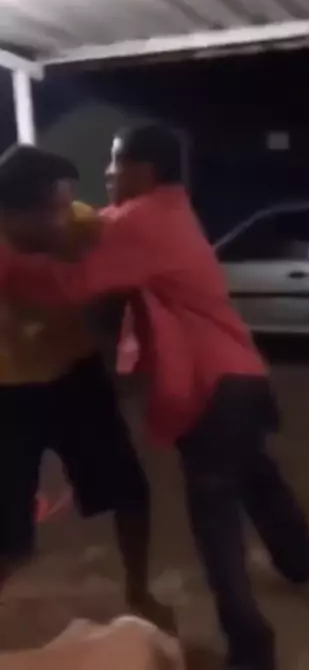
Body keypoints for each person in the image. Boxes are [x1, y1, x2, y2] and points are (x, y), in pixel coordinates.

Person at [0, 126, 309, 670]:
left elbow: (69, 284)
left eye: (115, 162)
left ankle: (251, 648)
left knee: (215, 525)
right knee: (256, 474)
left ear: (143, 170)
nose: (105, 176)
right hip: (237, 377)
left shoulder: (138, 220)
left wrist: (12, 264)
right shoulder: (167, 211)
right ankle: (299, 560)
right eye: (51, 209)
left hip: (208, 387)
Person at [0, 145, 152, 612]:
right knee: (7, 531)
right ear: (11, 214)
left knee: (129, 489)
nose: (64, 217)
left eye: (66, 203)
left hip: (75, 372)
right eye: (52, 209)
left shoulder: (81, 223)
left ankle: (140, 592)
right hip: (9, 389)